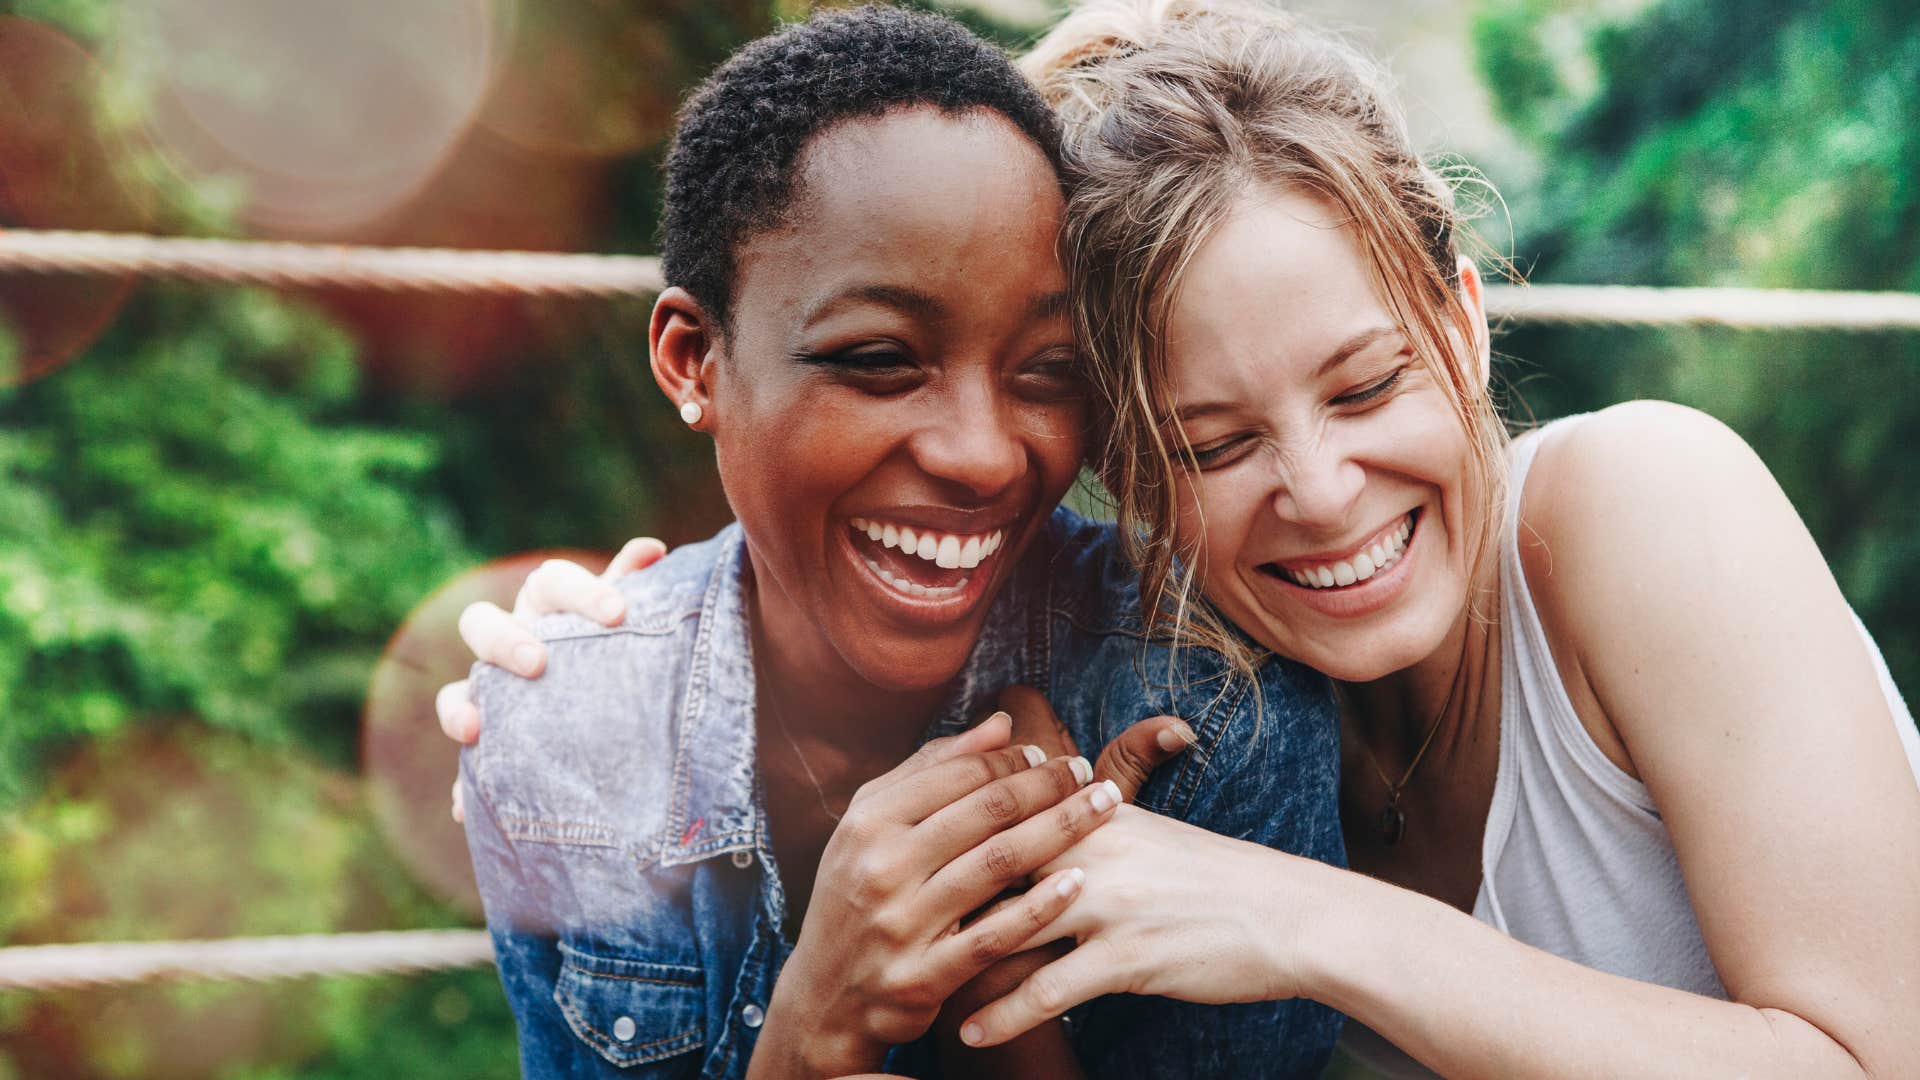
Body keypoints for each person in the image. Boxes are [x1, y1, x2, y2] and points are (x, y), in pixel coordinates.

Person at [458, 2, 1920, 1076]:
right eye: (1212, 445)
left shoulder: (1641, 510)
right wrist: (635, 660)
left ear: (1463, 323)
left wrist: (1308, 919)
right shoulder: (1204, 708)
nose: (1326, 491)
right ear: (1124, 475)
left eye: (1367, 386)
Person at [450, 7, 1345, 1079]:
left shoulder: (1208, 719)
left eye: (1049, 369)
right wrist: (811, 1027)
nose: (981, 456)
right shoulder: (559, 743)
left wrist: (1005, 994)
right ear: (695, 361)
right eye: (879, 359)